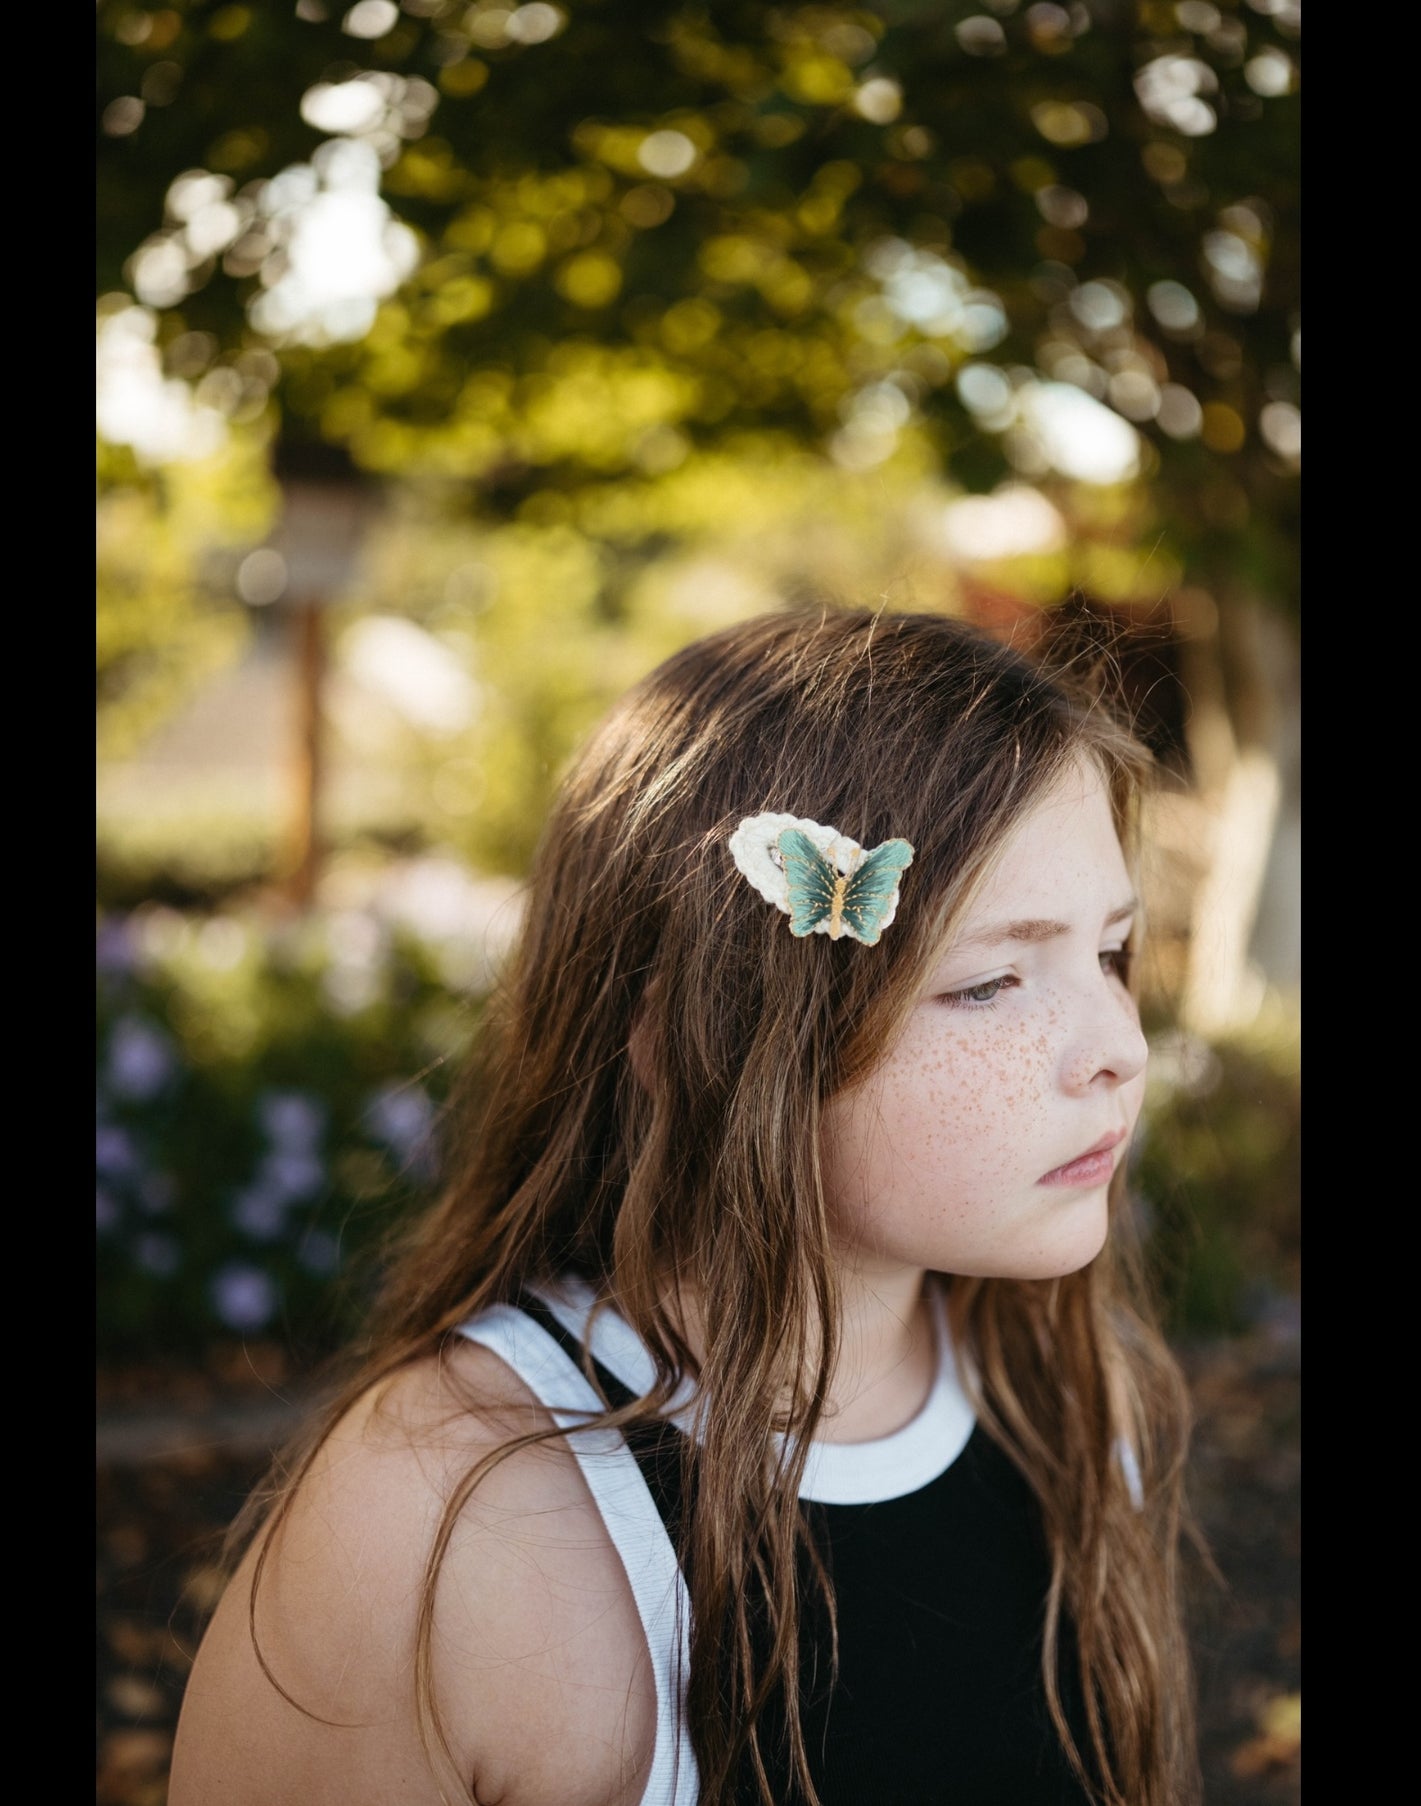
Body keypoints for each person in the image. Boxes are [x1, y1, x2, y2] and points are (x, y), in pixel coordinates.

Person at [169, 608, 1199, 1806]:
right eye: (988, 981)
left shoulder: (1064, 1405)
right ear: (693, 1032)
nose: (1115, 1048)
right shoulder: (457, 1514)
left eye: (1111, 953)